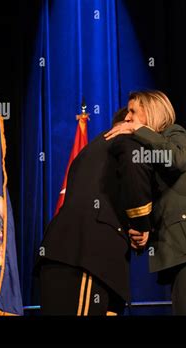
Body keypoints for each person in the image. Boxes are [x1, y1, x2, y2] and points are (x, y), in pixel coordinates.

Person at [105, 91, 186, 315]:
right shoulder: (145, 149)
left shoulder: (173, 133)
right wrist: (144, 230)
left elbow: (177, 159)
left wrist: (138, 130)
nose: (127, 118)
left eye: (133, 111)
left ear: (152, 111)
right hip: (178, 250)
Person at [36, 107, 146, 316]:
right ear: (128, 121)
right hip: (88, 257)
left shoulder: (91, 150)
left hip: (67, 254)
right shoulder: (126, 142)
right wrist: (143, 227)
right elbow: (136, 187)